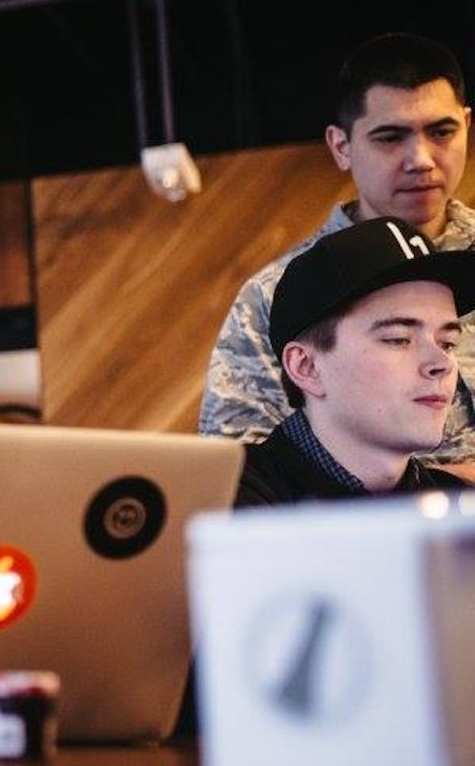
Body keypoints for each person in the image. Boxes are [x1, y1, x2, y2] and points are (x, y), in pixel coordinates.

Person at [201, 33, 475, 477]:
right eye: (390, 137)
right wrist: (439, 492)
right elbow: (235, 472)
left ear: (467, 126)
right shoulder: (275, 294)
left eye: (441, 132)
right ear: (341, 146)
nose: (421, 159)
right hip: (361, 538)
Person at [236, 216, 475, 506]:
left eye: (447, 343)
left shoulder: (458, 508)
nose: (442, 363)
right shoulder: (221, 504)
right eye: (398, 339)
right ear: (306, 367)